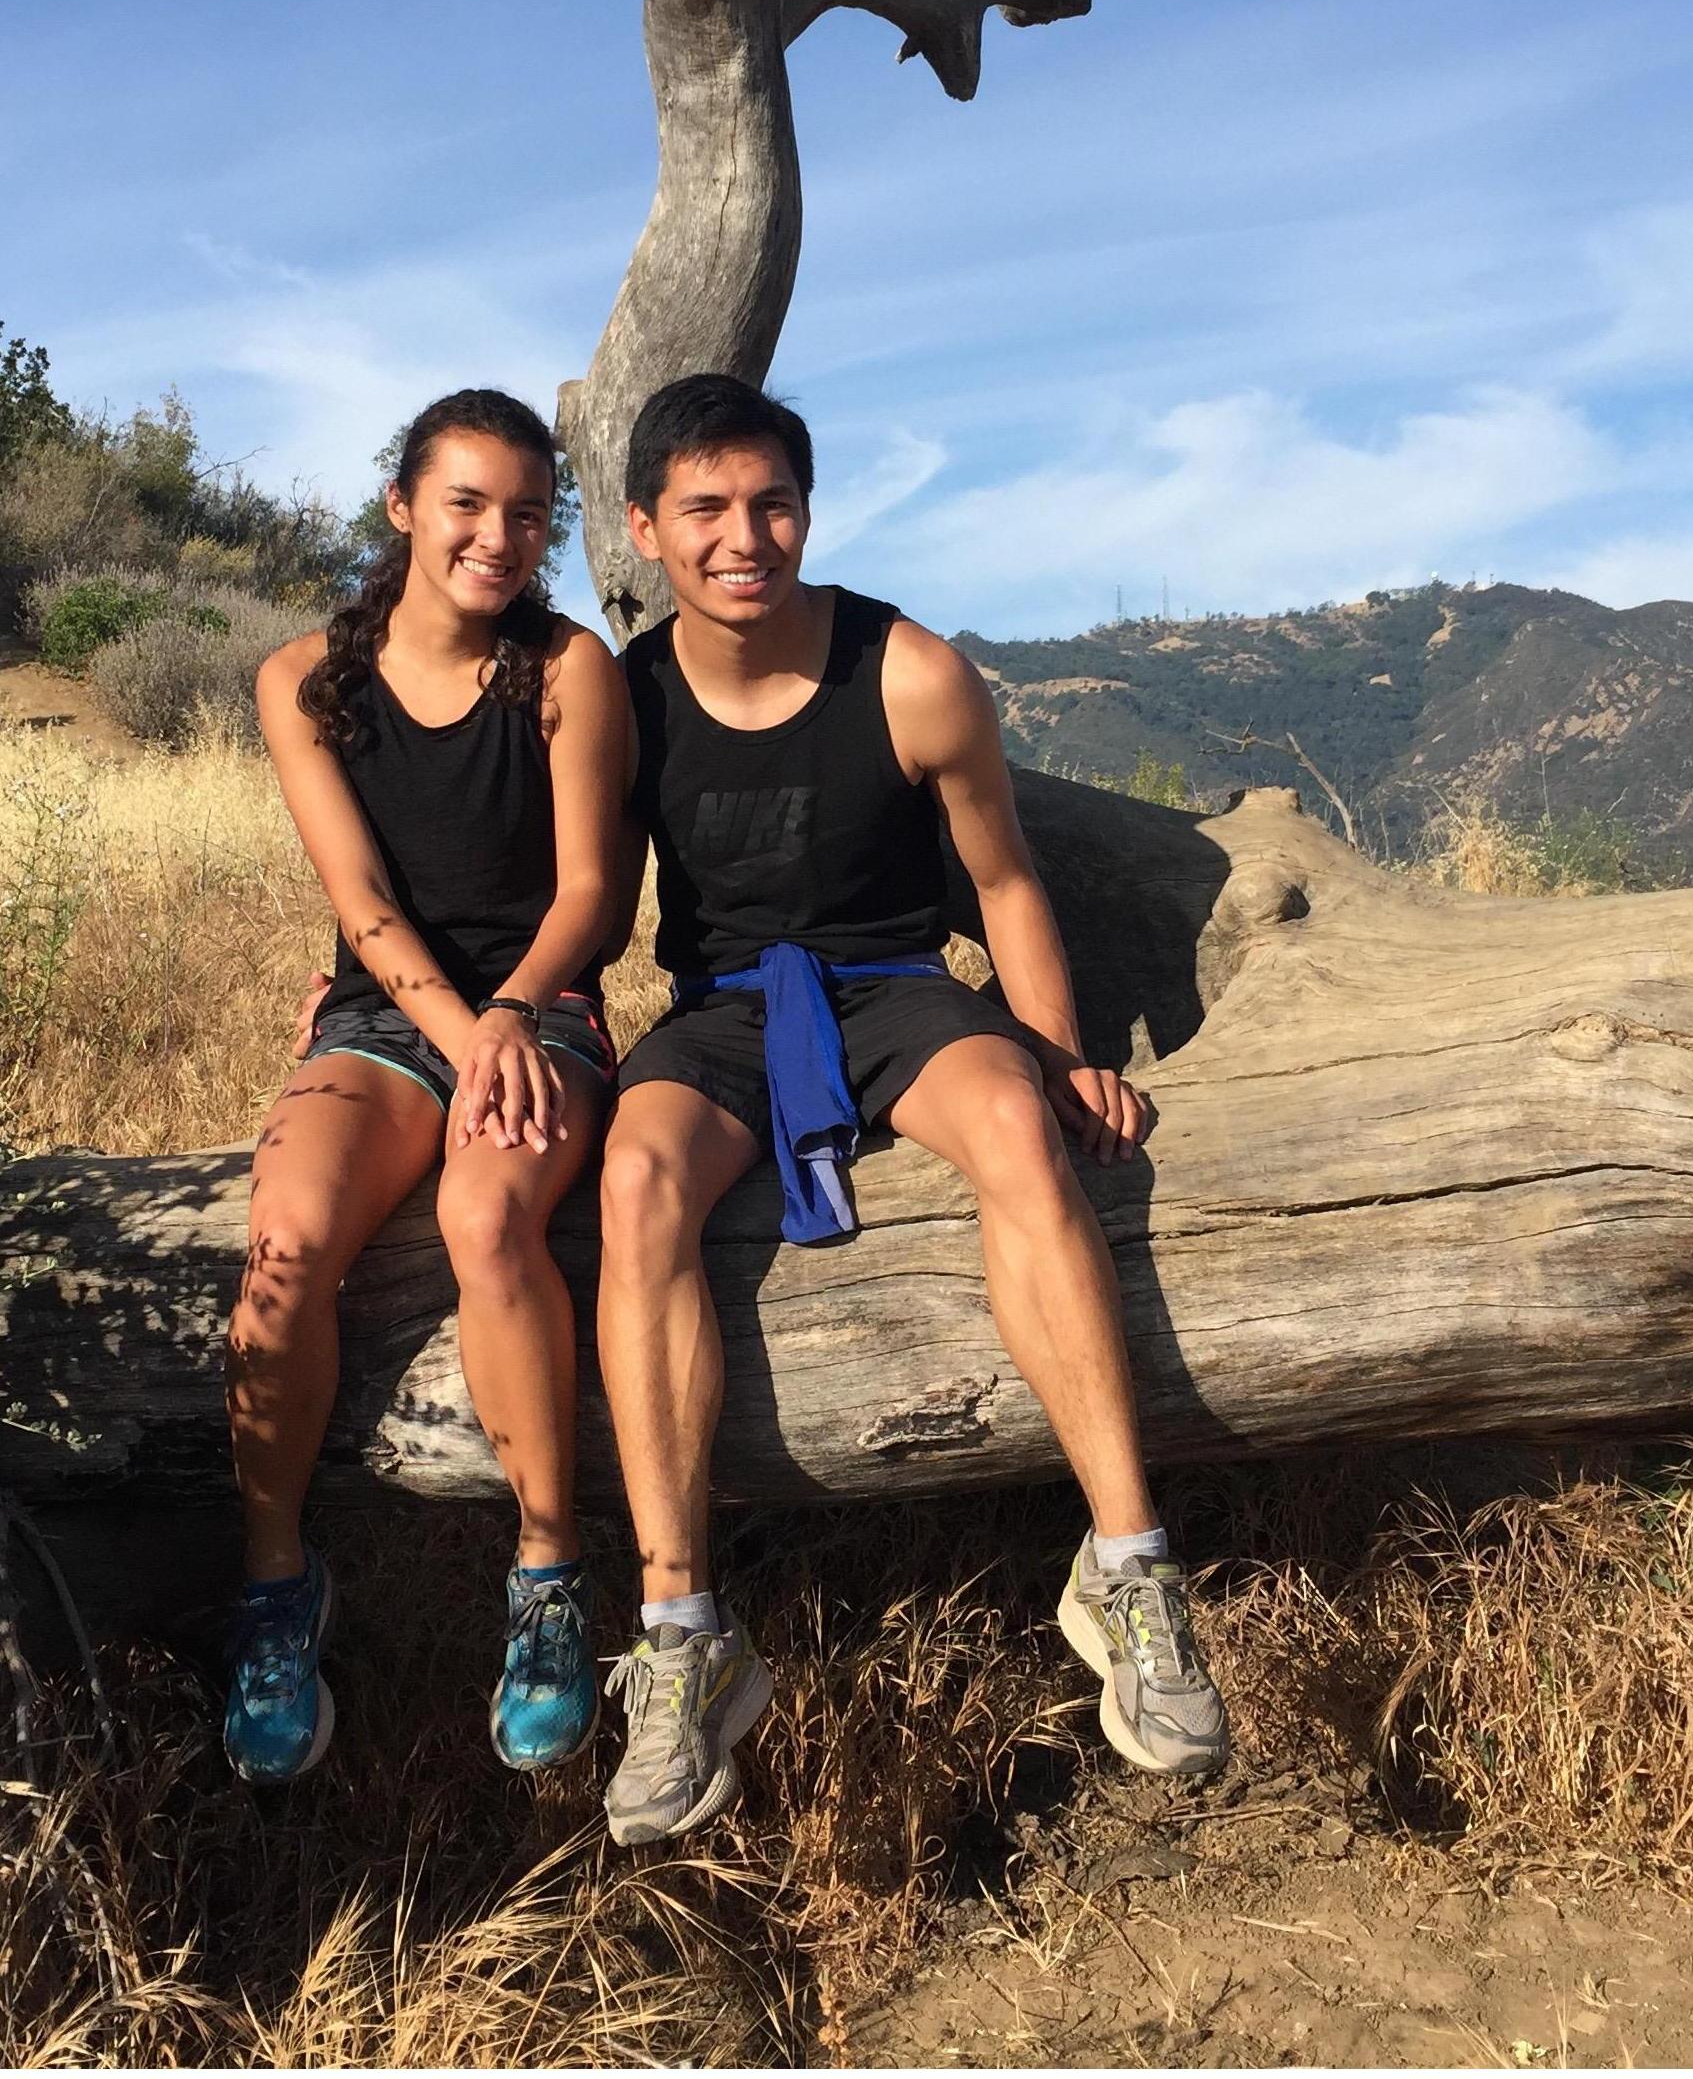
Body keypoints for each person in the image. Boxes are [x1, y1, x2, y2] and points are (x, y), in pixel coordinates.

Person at [593, 372, 1228, 1846]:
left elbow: (1002, 881)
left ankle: (1128, 1567)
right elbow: (555, 887)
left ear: (806, 509)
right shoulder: (620, 702)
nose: (744, 536)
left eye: (771, 503)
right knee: (634, 1189)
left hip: (895, 988)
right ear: (644, 528)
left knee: (1018, 1131)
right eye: (705, 509)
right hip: (721, 1011)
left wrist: (1058, 1050)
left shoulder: (909, 669)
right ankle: (684, 1632)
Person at [226, 390, 629, 1785]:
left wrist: (515, 1014)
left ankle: (546, 1576)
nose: (498, 536)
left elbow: (588, 891)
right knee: (281, 1251)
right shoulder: (303, 681)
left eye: (528, 513)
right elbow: (362, 899)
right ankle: (280, 1585)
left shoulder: (570, 667)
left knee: (485, 1221)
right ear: (403, 505)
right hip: (390, 1018)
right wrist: (464, 1038)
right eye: (467, 502)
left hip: (543, 1009)